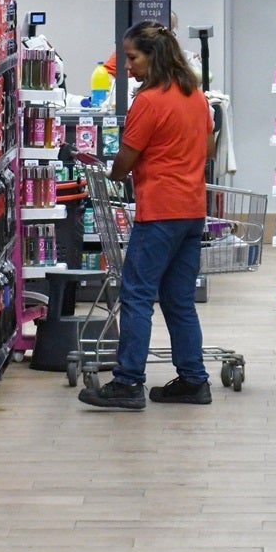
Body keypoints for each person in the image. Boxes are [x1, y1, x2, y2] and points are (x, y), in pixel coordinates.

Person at [78, 21, 213, 410]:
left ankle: (128, 382)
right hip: (191, 211)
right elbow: (208, 151)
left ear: (153, 57)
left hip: (159, 213)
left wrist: (115, 174)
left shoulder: (149, 101)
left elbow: (126, 159)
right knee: (179, 301)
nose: (127, 66)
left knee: (136, 294)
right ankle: (192, 380)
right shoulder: (196, 98)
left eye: (133, 58)